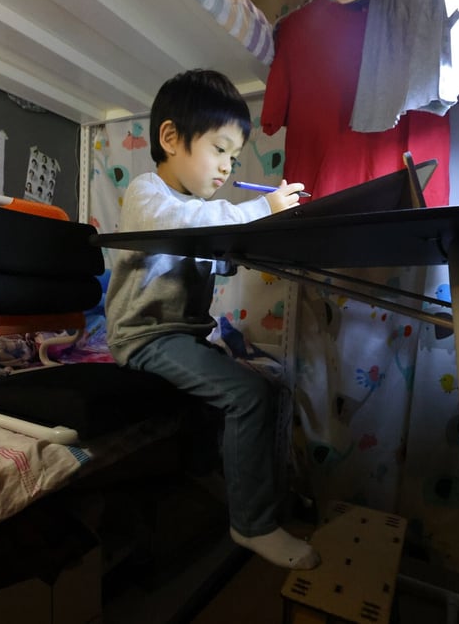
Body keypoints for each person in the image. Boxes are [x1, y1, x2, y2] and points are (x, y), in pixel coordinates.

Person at [104, 69, 320, 570]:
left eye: (233, 157)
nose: (226, 166)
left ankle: (218, 483)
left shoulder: (202, 208)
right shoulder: (148, 194)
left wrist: (272, 228)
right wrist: (259, 208)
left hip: (182, 335)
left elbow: (215, 244)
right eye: (219, 149)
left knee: (262, 383)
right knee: (248, 395)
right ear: (171, 138)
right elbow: (190, 225)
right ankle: (254, 524)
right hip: (143, 338)